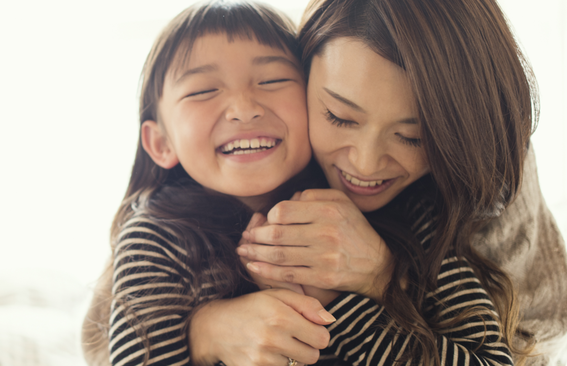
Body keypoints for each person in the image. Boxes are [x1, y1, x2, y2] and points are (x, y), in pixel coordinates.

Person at [84, 0, 567, 365]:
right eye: (338, 116)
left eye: (413, 136)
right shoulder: (159, 234)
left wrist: (364, 290)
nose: (366, 162)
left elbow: (501, 353)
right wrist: (207, 332)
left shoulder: (425, 214)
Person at [82, 2, 338, 365]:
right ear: (161, 144)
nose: (244, 108)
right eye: (202, 91)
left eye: (272, 80)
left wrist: (340, 301)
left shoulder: (350, 210)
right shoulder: (156, 239)